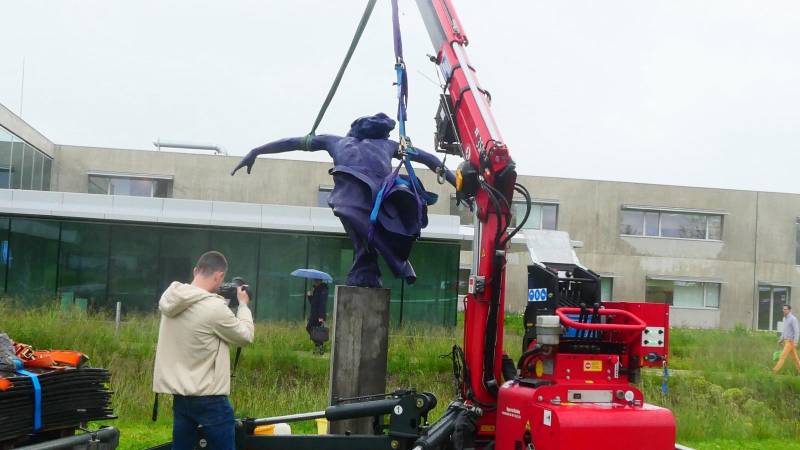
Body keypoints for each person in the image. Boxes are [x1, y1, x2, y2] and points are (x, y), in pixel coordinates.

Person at [231, 113, 454, 288]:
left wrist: (256, 151)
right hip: (364, 198)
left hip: (363, 199)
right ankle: (385, 268)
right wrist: (456, 182)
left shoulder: (340, 142)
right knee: (366, 242)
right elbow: (429, 159)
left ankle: (383, 268)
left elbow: (293, 142)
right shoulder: (384, 145)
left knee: (365, 241)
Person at [152, 251, 255, 450]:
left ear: (196, 270)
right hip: (210, 399)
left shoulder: (172, 298)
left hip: (181, 396)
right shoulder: (214, 308)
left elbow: (201, 315)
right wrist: (243, 305)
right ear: (219, 276)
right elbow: (245, 336)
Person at [773, 304, 800, 373]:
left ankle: (774, 371)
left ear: (789, 310)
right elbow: (784, 330)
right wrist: (781, 339)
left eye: (785, 309)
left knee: (782, 356)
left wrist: (796, 342)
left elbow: (797, 331)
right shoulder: (784, 318)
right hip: (786, 341)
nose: (784, 310)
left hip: (791, 341)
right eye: (783, 309)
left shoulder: (793, 319)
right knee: (795, 358)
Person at [306, 279, 329, 354]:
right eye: (314, 281)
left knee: (310, 328)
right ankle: (319, 347)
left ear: (319, 281)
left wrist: (321, 316)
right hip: (314, 314)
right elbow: (313, 303)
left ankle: (319, 346)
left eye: (316, 281)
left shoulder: (323, 290)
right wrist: (310, 296)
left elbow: (322, 303)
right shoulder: (316, 289)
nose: (314, 282)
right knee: (314, 330)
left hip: (318, 315)